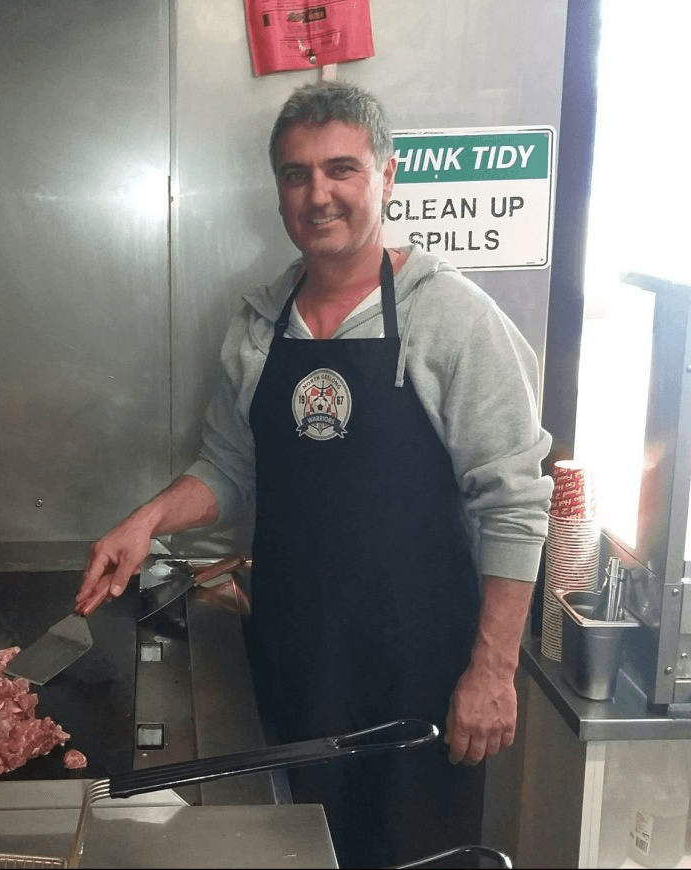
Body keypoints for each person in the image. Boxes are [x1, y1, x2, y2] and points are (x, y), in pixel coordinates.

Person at [75, 80, 552, 867]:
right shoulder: (260, 323)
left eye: (342, 170)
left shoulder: (452, 318)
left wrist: (492, 672)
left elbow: (514, 503)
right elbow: (227, 467)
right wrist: (146, 520)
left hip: (420, 675)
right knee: (298, 851)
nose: (318, 194)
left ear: (387, 176)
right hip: (295, 659)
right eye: (296, 175)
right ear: (279, 191)